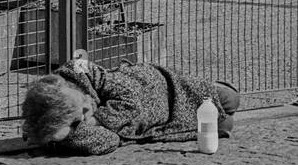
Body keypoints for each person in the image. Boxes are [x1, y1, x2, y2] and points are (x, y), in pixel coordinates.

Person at [21, 57, 239, 155]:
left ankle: (213, 86)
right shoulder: (53, 132)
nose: (85, 117)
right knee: (225, 125)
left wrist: (97, 120)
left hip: (167, 87)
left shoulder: (76, 71)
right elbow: (109, 140)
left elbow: (129, 100)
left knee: (231, 99)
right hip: (167, 122)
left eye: (82, 112)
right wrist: (76, 133)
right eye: (78, 123)